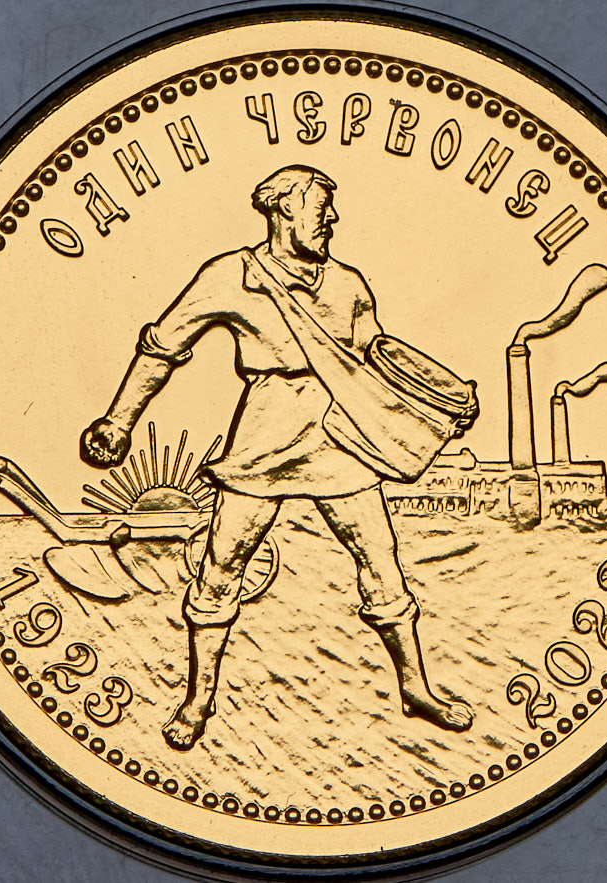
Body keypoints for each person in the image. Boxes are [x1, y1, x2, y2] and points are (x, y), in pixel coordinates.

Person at [81, 165, 474, 750]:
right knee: (222, 564)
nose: (332, 219)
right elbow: (163, 346)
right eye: (321, 207)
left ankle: (416, 689)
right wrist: (119, 420)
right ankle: (198, 700)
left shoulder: (348, 284)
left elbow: (378, 360)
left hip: (341, 432)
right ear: (284, 207)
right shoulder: (229, 276)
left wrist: (438, 402)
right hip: (265, 430)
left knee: (381, 561)